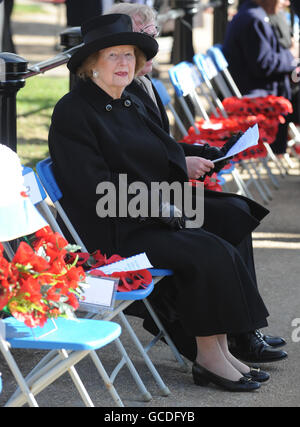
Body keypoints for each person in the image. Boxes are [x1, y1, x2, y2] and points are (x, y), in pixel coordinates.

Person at [48, 13, 273, 391]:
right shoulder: (74, 111)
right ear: (91, 64)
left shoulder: (126, 101)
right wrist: (159, 205)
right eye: (113, 56)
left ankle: (223, 345)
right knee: (208, 251)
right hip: (112, 230)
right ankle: (208, 356)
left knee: (224, 230)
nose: (124, 63)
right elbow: (92, 188)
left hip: (147, 213)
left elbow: (162, 153)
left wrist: (190, 173)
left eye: (129, 55)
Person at [105, 2, 288, 364]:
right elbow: (129, 162)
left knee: (237, 210)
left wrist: (205, 151)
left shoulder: (146, 86)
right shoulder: (118, 92)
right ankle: (236, 333)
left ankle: (243, 329)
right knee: (228, 217)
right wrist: (180, 163)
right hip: (142, 204)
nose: (152, 47)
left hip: (158, 195)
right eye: (143, 39)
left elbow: (161, 144)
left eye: (153, 37)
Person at [223, 0, 297, 154]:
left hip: (264, 86)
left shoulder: (254, 14)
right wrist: (291, 55)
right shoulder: (254, 19)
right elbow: (264, 65)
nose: (287, 2)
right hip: (257, 93)